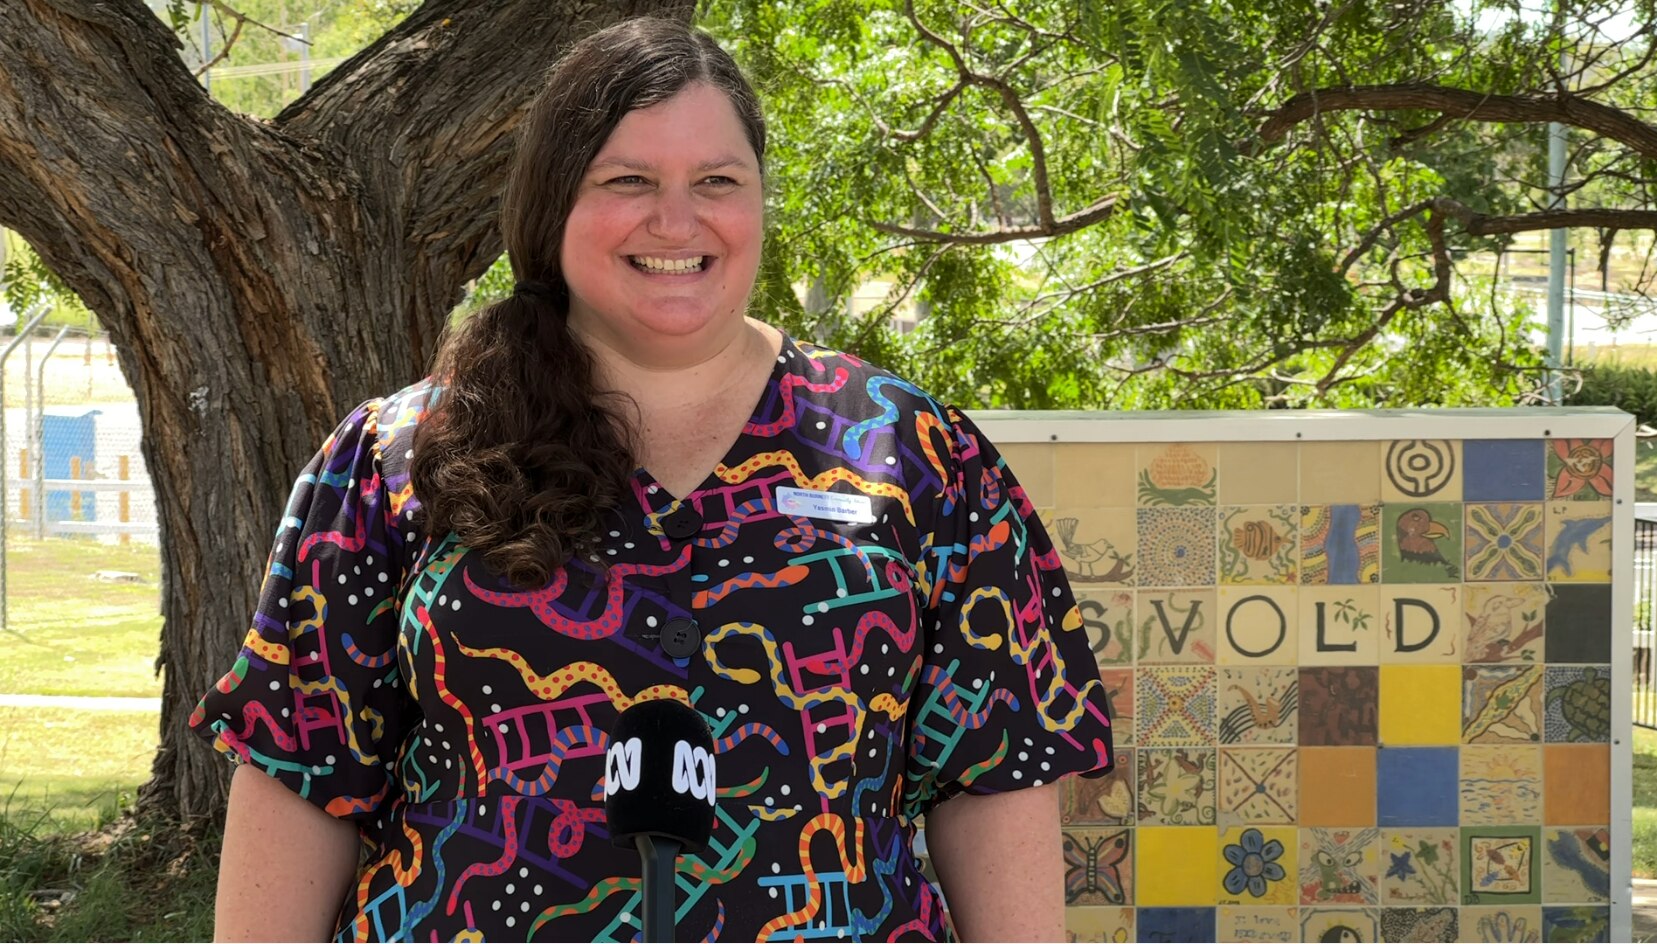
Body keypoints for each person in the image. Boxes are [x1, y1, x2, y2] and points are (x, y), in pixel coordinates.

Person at [192, 16, 1112, 943]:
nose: (677, 220)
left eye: (717, 181)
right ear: (552, 205)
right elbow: (299, 770)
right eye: (627, 180)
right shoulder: (399, 458)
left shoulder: (913, 452)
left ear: (757, 202)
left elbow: (993, 775)